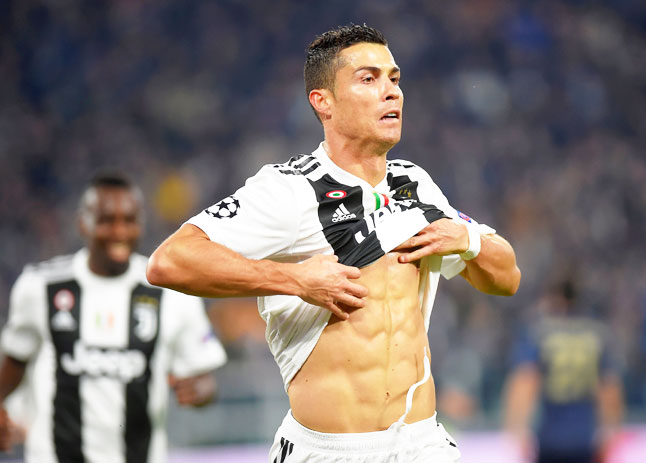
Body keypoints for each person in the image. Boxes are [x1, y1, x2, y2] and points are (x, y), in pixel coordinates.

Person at [147, 24, 521, 463]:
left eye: (394, 79)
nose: (391, 93)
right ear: (322, 102)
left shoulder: (415, 184)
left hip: (423, 445)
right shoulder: (289, 188)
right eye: (368, 79)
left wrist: (469, 239)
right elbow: (169, 262)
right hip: (329, 451)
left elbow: (508, 278)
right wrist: (294, 279)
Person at [0, 173, 227, 463]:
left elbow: (206, 381)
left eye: (129, 220)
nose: (119, 231)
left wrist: (200, 391)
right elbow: (15, 360)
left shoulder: (171, 294)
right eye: (107, 220)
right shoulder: (40, 287)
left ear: (141, 224)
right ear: (84, 222)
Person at [502, 278, 624, 463]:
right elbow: (609, 387)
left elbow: (526, 380)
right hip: (585, 436)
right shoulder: (597, 334)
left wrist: (517, 427)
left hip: (549, 435)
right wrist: (611, 430)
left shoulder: (540, 332)